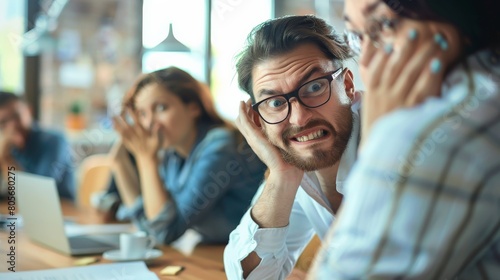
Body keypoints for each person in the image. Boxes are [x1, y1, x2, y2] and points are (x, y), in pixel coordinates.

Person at [309, 0, 500, 279]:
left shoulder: (429, 134)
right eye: (357, 36)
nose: (367, 62)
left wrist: (377, 142)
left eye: (385, 25)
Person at [223, 15, 361, 279]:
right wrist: (281, 176)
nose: (299, 118)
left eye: (315, 87)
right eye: (275, 103)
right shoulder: (297, 167)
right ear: (257, 120)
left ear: (348, 85)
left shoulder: (394, 143)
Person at [109, 67, 267, 245]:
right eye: (142, 114)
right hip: (219, 254)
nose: (150, 123)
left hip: (253, 261)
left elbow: (164, 232)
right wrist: (119, 163)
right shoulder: (173, 155)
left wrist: (146, 160)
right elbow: (150, 227)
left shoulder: (220, 147)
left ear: (193, 108)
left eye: (161, 108)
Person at [0, 91, 75, 200]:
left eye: (16, 116)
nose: (12, 126)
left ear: (29, 110)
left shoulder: (54, 141)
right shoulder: (8, 146)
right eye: (3, 122)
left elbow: (39, 194)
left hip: (61, 210)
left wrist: (7, 159)